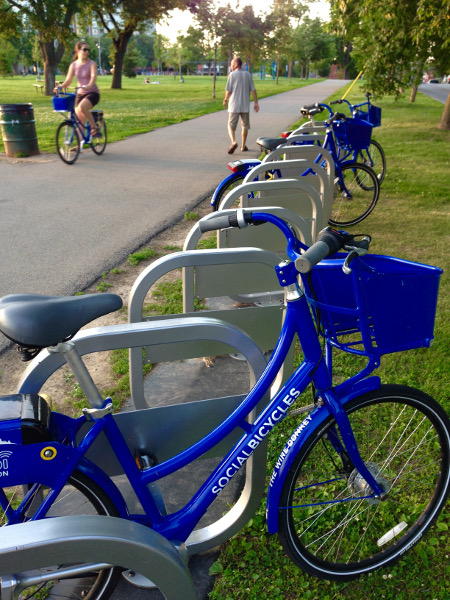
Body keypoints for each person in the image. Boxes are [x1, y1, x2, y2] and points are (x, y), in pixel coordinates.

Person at [54, 41, 101, 138]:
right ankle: (79, 145)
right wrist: (60, 87)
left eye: (88, 50)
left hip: (92, 93)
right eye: (84, 49)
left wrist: (90, 85)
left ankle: (94, 127)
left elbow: (93, 77)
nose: (87, 52)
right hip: (80, 94)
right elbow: (68, 80)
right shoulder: (74, 65)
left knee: (82, 108)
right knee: (79, 120)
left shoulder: (92, 64)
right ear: (78, 51)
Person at [223, 57, 259, 154]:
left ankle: (233, 142)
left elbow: (228, 90)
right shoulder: (247, 74)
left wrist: (225, 99)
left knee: (231, 125)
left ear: (235, 65)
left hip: (234, 105)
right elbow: (253, 90)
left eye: (231, 64)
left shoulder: (232, 75)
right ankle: (243, 146)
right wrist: (256, 102)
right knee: (245, 126)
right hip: (245, 106)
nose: (230, 66)